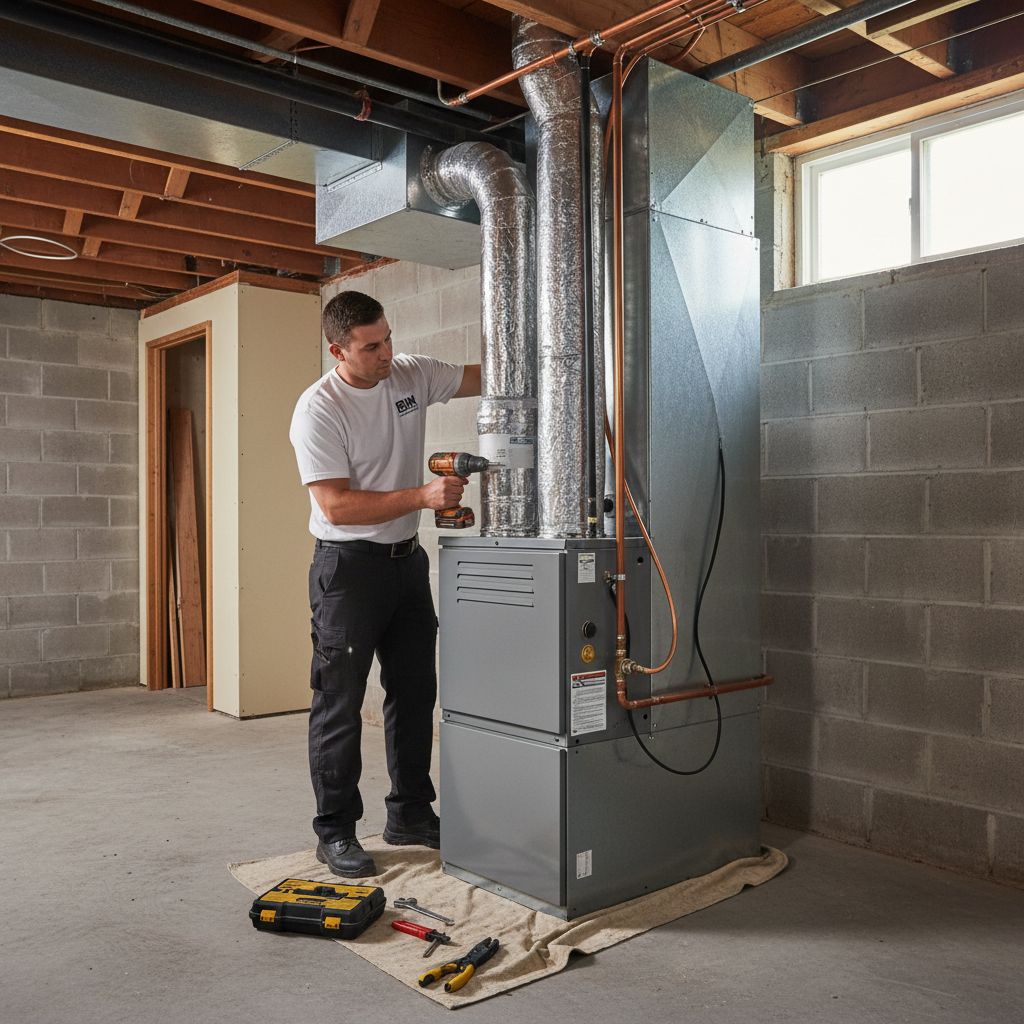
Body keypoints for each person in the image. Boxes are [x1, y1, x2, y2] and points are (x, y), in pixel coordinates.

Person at [289, 290, 481, 877]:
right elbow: (337, 505)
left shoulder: (410, 375)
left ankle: (411, 814)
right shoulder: (319, 409)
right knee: (341, 704)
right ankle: (336, 832)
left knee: (416, 691)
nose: (386, 353)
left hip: (406, 562)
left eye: (388, 338)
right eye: (371, 347)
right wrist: (423, 497)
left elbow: (484, 375)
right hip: (347, 570)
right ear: (337, 350)